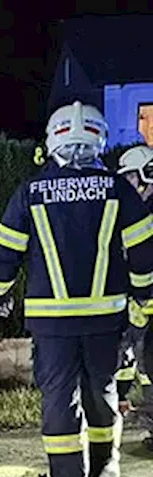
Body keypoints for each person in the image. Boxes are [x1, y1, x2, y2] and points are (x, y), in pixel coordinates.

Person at [0, 101, 153, 477]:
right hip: (104, 319)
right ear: (99, 139)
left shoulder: (31, 192)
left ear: (52, 138)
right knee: (102, 390)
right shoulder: (119, 190)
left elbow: (5, 248)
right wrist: (143, 295)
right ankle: (101, 469)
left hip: (51, 323)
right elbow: (144, 250)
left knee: (59, 398)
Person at [116, 145, 153, 445]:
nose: (126, 184)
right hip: (140, 304)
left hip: (146, 301)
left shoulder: (146, 213)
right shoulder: (139, 210)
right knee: (137, 360)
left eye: (129, 177)